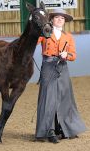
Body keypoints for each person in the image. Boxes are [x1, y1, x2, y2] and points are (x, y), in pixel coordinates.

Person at [35, 9, 87, 143]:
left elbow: (73, 55)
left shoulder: (68, 36)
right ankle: (48, 130)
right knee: (48, 98)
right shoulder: (45, 33)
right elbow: (32, 41)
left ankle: (64, 129)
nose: (59, 20)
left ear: (64, 21)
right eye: (57, 17)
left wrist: (67, 55)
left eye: (62, 18)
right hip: (48, 66)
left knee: (65, 98)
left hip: (63, 67)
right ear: (52, 20)